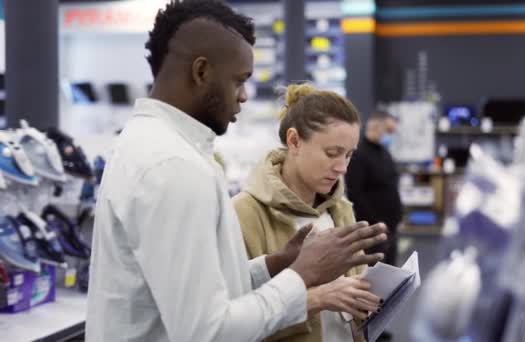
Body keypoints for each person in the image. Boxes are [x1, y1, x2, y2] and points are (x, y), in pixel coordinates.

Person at [85, 2, 387, 342]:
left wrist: (273, 264)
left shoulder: (154, 147)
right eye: (239, 80)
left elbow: (201, 291)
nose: (243, 96)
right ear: (201, 72)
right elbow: (209, 331)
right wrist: (301, 277)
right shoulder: (175, 167)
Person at [234, 84, 381, 342]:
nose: (342, 168)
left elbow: (355, 297)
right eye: (332, 153)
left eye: (348, 155)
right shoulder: (244, 213)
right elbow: (232, 320)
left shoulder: (341, 209)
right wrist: (317, 299)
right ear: (294, 141)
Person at [345, 111, 402, 267]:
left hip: (391, 228)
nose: (390, 135)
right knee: (375, 279)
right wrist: (376, 223)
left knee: (392, 275)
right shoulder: (359, 154)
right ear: (376, 126)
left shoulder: (384, 152)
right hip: (373, 231)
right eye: (389, 131)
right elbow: (355, 194)